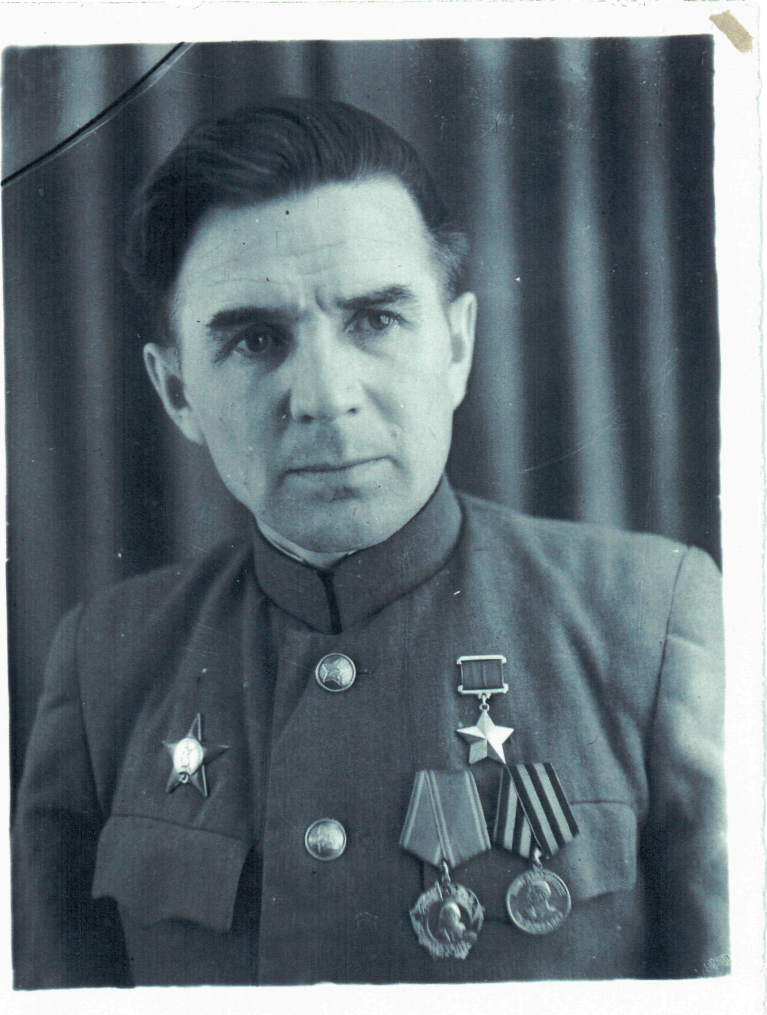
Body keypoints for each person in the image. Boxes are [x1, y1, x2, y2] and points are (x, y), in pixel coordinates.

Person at [12, 97, 728, 988]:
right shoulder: (106, 664)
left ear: (456, 345)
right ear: (178, 393)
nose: (324, 396)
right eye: (255, 340)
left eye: (374, 320)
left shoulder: (648, 622)